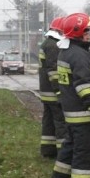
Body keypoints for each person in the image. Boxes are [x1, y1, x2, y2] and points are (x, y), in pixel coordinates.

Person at [51, 12, 90, 178]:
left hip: (71, 112)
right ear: (77, 32)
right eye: (86, 31)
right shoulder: (80, 55)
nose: (89, 34)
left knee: (69, 147)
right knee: (84, 150)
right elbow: (84, 86)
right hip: (83, 113)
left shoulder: (66, 52)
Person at [38, 17, 67, 159]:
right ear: (59, 30)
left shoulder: (46, 43)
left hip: (46, 91)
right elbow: (54, 71)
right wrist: (59, 91)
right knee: (60, 122)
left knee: (48, 121)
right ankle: (62, 152)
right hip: (53, 92)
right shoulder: (53, 45)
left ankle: (48, 150)